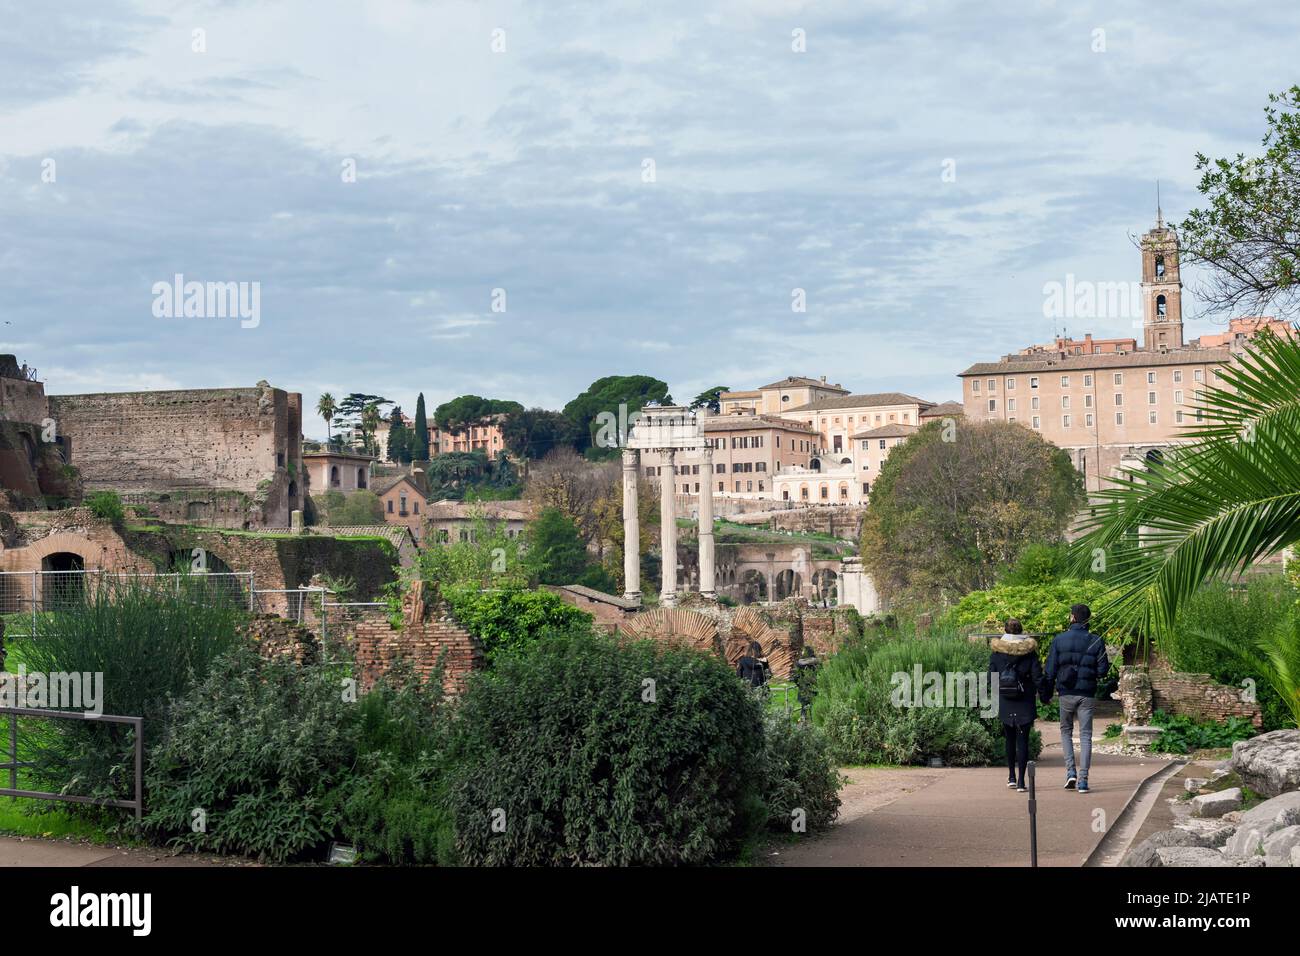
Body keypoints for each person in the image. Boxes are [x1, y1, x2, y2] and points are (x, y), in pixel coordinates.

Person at [1043, 603, 1109, 794]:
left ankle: (1070, 772)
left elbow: (1050, 670)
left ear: (1072, 617)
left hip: (1065, 692)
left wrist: (1046, 694)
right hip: (1086, 693)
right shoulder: (1097, 640)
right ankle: (1083, 780)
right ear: (1087, 620)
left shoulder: (1059, 640)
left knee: (1065, 732)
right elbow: (1103, 670)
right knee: (1086, 735)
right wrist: (1090, 674)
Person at [988, 619, 1041, 792]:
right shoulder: (1030, 654)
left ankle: (1011, 776)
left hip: (1006, 700)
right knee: (1022, 741)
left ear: (1004, 630)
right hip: (1024, 701)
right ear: (1021, 631)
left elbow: (991, 679)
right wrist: (1043, 694)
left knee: (1009, 739)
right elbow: (1037, 677)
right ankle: (1021, 782)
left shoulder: (996, 654)